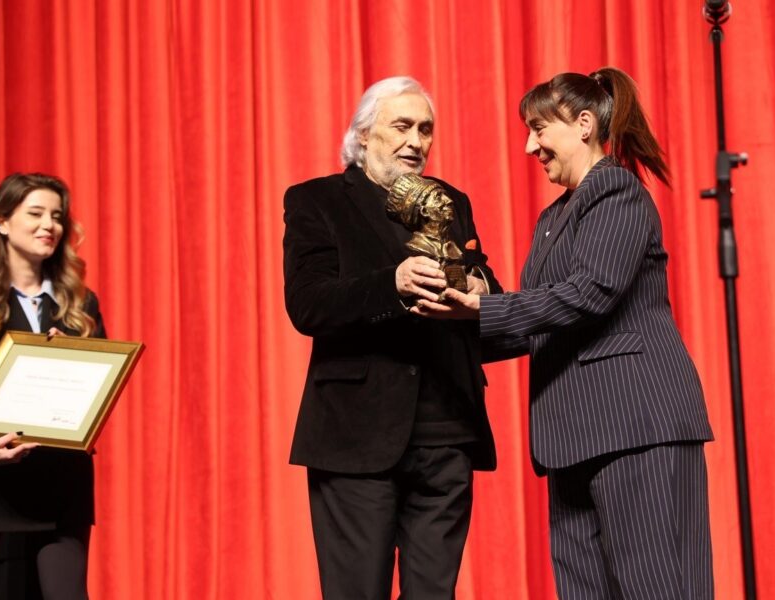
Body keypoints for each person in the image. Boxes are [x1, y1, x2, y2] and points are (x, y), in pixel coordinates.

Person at [415, 68, 715, 599]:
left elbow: (590, 293)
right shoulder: (554, 217)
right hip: (572, 438)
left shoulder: (616, 191)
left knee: (659, 588)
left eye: (538, 129)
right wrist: (451, 324)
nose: (530, 146)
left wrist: (484, 308)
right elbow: (541, 322)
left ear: (583, 124)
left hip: (636, 428)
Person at [282, 76, 501, 599]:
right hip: (355, 437)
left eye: (425, 129)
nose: (416, 141)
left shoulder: (451, 201)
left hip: (448, 431)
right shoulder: (317, 200)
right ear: (363, 134)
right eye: (402, 126)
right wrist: (392, 284)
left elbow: (482, 277)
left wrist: (480, 287)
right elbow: (308, 305)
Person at [0, 172, 107, 600]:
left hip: (62, 487)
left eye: (57, 217)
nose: (49, 226)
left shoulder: (79, 305)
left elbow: (98, 397)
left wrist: (75, 361)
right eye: (36, 213)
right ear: (2, 221)